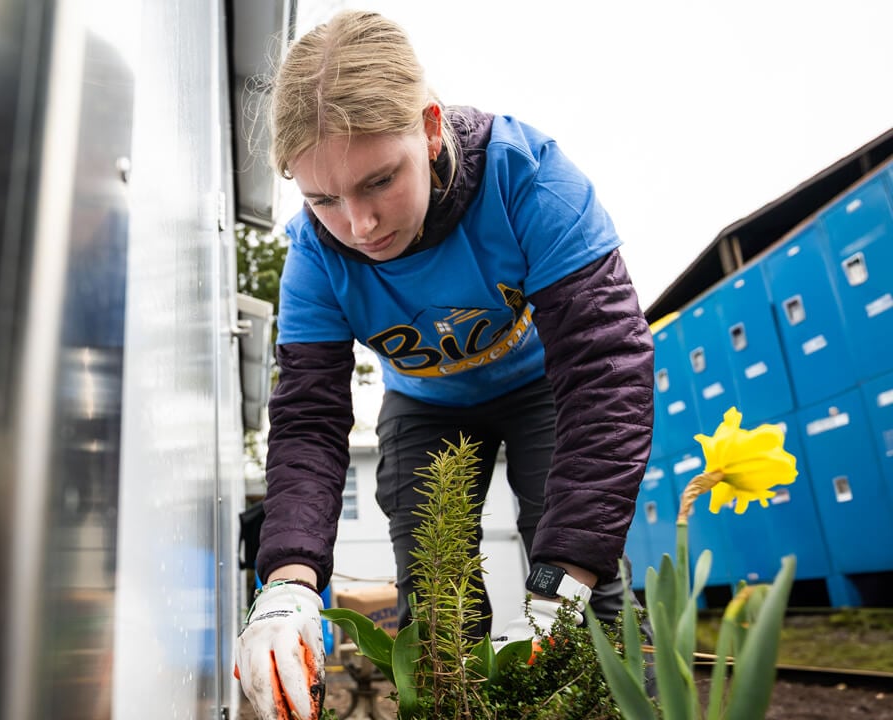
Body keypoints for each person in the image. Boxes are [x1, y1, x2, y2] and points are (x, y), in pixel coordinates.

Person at [233, 9, 655, 720]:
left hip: (546, 389)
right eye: (323, 199)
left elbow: (606, 367)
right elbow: (309, 419)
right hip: (424, 406)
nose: (359, 226)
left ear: (430, 130)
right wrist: (287, 582)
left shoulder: (530, 181)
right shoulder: (313, 257)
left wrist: (568, 570)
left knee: (587, 600)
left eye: (379, 181)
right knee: (438, 605)